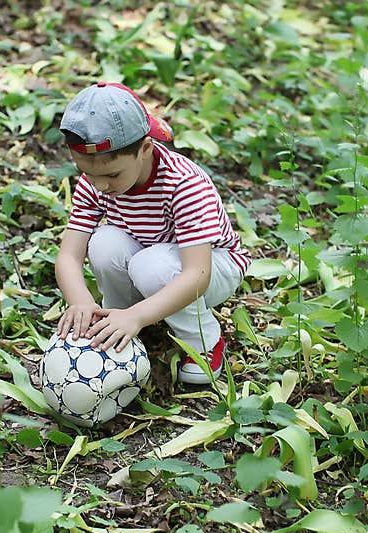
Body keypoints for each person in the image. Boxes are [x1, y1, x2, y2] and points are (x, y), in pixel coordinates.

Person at [54, 81, 252, 384]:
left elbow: (197, 274)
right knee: (105, 242)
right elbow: (68, 255)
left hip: (212, 266)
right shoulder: (95, 182)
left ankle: (204, 342)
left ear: (145, 149)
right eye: (88, 173)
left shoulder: (183, 184)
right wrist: (80, 301)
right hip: (152, 255)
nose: (101, 186)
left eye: (112, 175)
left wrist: (139, 315)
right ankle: (116, 320)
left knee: (152, 266)